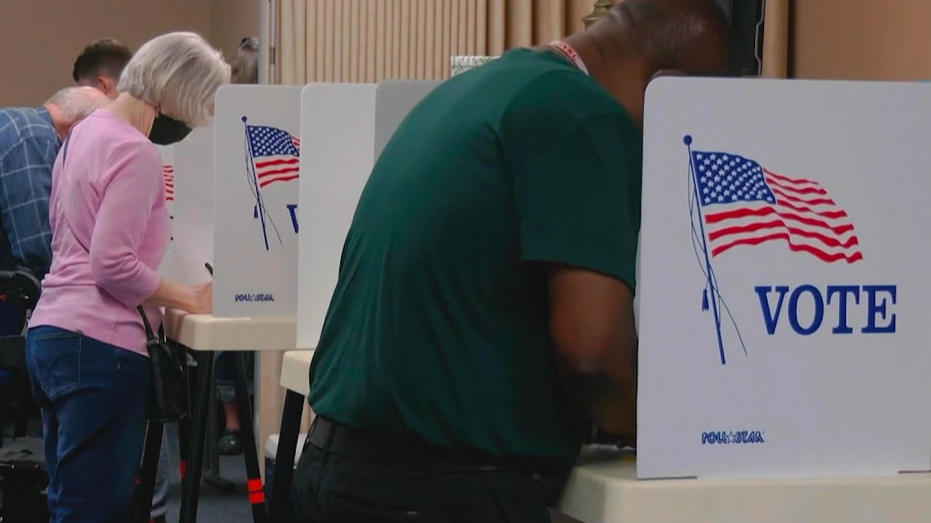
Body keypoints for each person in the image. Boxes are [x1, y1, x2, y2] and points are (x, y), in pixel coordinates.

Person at [291, 0, 738, 521]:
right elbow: (591, 350)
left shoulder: (481, 89)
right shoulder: (582, 113)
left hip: (337, 467)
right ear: (672, 89)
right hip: (437, 489)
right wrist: (673, 429)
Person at [25, 31, 229, 522]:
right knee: (94, 509)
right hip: (101, 347)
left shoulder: (83, 134)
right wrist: (189, 297)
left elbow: (69, 239)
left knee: (69, 502)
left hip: (52, 333)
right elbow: (112, 264)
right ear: (175, 91)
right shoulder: (135, 152)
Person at [214, 35, 261, 456]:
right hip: (234, 234)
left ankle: (234, 422)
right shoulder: (222, 125)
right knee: (232, 334)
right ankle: (235, 419)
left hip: (259, 230)